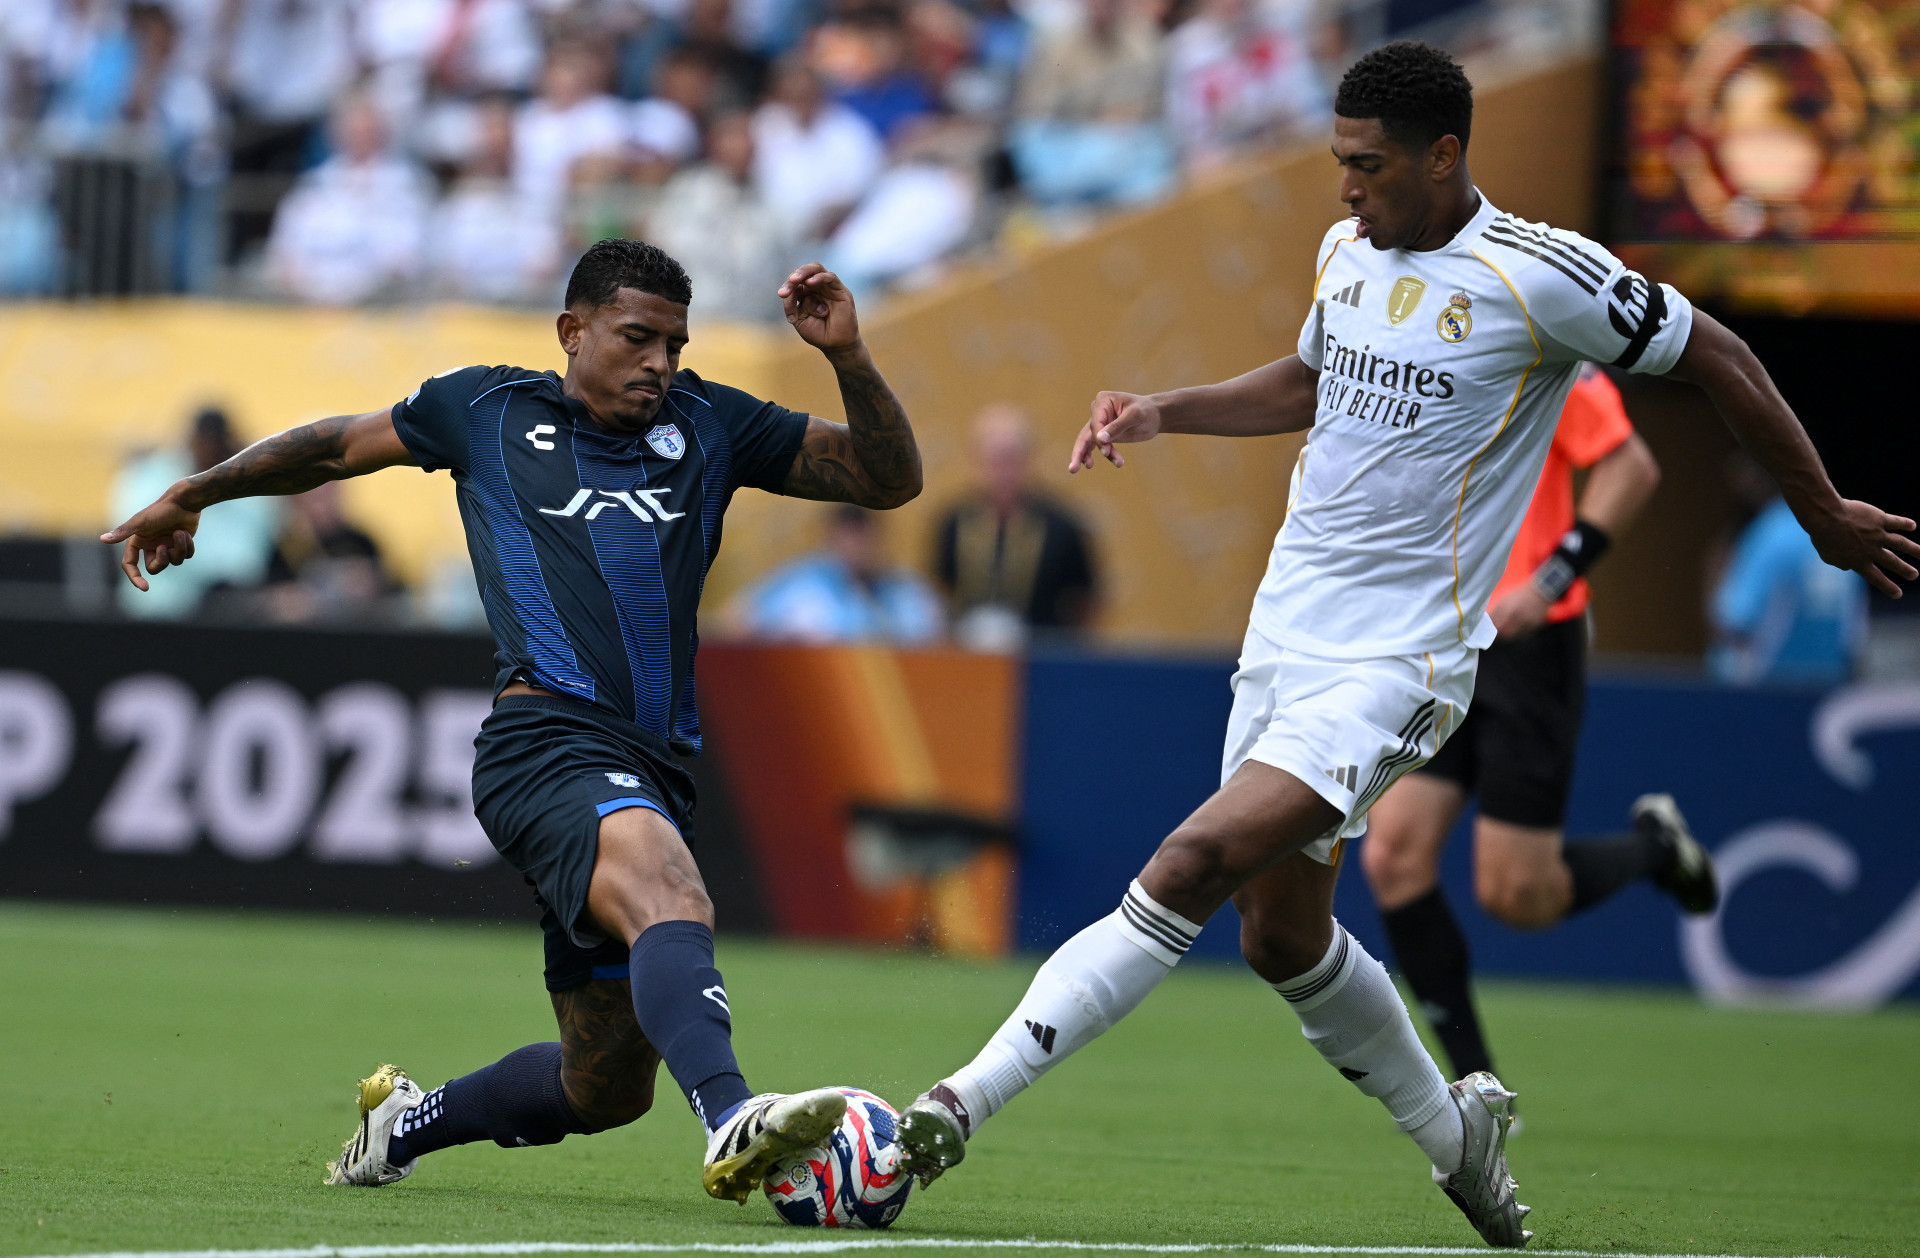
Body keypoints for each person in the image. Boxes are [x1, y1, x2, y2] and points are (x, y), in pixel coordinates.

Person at [889, 42, 1918, 1248]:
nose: (1345, 186)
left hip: (1401, 663)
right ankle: (1456, 1136)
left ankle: (951, 1109)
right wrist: (1167, 409)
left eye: (1367, 164)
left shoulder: (1542, 275)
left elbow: (1723, 355)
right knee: (1281, 935)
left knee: (1192, 859)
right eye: (1339, 160)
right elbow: (1310, 384)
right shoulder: (1348, 251)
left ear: (1443, 155)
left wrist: (1822, 512)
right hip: (1283, 635)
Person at [104, 241, 924, 1202]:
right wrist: (195, 492)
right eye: (637, 337)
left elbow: (886, 480)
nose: (660, 362)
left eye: (674, 344)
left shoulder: (712, 422)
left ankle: (403, 1125)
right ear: (573, 331)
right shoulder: (486, 409)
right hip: (543, 744)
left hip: (651, 765)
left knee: (603, 1086)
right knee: (673, 892)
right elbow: (333, 446)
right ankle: (732, 1114)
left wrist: (848, 356)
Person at [1358, 363, 1716, 1101]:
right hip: (1440, 633)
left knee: (1518, 895)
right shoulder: (1410, 331)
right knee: (1392, 856)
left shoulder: (1548, 341)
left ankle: (1656, 849)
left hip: (1528, 644)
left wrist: (1551, 581)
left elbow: (1631, 466)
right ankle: (1476, 1088)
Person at [934, 404, 1097, 646]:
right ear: (975, 461)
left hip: (1043, 651)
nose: (1002, 472)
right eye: (994, 460)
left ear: (1028, 460)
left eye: (1010, 459)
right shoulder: (953, 522)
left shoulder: (1062, 525)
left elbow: (1085, 598)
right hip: (969, 651)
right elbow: (939, 592)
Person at [108, 405, 278, 619]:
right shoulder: (151, 477)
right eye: (204, 442)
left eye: (216, 443)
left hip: (223, 615)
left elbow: (247, 562)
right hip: (156, 612)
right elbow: (129, 534)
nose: (209, 449)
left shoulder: (249, 493)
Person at [1710, 491, 1869, 686]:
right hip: (1829, 691)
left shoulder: (1771, 532)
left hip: (1768, 688)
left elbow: (1735, 618)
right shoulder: (1842, 536)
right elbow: (1854, 639)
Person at [731, 502, 943, 643]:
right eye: (849, 536)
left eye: (863, 536)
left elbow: (936, 640)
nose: (857, 546)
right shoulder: (804, 583)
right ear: (832, 538)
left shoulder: (905, 590)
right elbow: (735, 619)